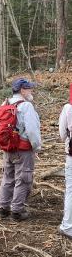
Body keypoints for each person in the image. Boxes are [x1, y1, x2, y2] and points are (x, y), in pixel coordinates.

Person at [0, 78, 41, 221]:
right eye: (29, 88)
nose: (31, 91)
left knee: (8, 176)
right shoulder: (26, 106)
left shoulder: (7, 103)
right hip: (22, 148)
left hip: (8, 147)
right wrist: (36, 146)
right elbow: (32, 130)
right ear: (22, 90)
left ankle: (2, 207)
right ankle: (17, 211)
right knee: (23, 178)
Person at [58, 85, 72, 240]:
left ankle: (68, 226)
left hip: (71, 156)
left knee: (71, 190)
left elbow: (62, 135)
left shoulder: (68, 108)